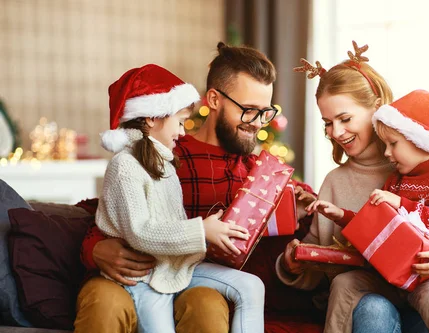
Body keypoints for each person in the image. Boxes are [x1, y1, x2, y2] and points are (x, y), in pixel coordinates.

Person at [76, 42, 316, 333]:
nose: (258, 123)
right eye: (248, 110)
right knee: (104, 302)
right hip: (137, 275)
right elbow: (103, 210)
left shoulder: (262, 174)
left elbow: (307, 220)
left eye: (265, 112)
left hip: (199, 280)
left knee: (207, 305)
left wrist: (303, 209)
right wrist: (95, 249)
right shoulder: (164, 156)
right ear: (214, 100)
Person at [277, 41, 429, 333]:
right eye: (327, 123)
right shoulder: (336, 182)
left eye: (345, 118)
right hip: (374, 295)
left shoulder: (425, 167)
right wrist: (292, 264)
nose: (336, 132)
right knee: (371, 306)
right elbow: (324, 259)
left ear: (377, 108)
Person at [93, 64, 265, 333]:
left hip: (177, 266)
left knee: (251, 286)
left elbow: (171, 224)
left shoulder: (164, 163)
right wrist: (201, 230)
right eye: (180, 122)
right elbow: (140, 232)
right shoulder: (125, 165)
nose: (183, 132)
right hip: (145, 276)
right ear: (152, 117)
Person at [307, 89, 429, 332]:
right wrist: (340, 215)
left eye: (393, 144)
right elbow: (376, 224)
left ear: (420, 141)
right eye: (385, 144)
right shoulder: (395, 181)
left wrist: (401, 203)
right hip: (389, 277)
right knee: (345, 282)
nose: (387, 153)